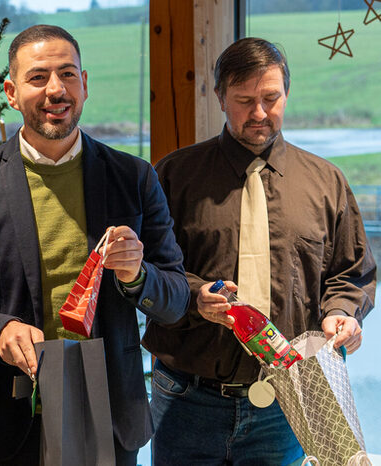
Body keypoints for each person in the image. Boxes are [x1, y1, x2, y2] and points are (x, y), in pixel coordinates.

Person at [0, 24, 190, 465]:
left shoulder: (133, 179)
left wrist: (137, 276)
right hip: (9, 419)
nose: (56, 89)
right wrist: (0, 331)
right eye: (38, 78)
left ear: (85, 85)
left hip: (108, 412)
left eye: (68, 74)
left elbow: (177, 299)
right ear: (11, 92)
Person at [144, 37, 376, 464]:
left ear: (287, 92)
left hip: (290, 403)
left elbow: (352, 272)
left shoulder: (327, 183)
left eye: (271, 98)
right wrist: (195, 296)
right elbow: (151, 271)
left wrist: (343, 310)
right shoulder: (174, 175)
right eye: (244, 100)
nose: (259, 114)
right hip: (186, 397)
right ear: (219, 97)